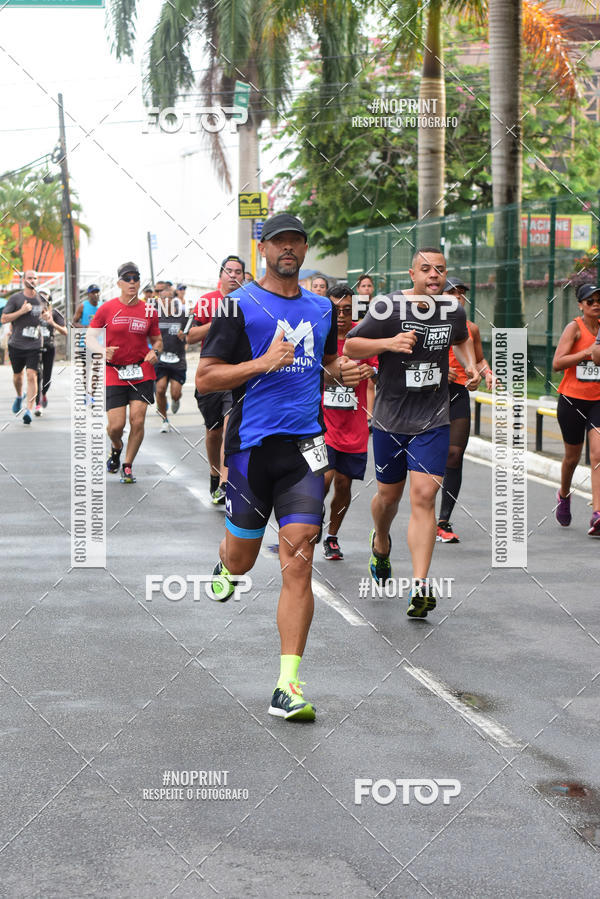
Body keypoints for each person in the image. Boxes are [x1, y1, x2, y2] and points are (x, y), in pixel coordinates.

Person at [196, 213, 360, 721]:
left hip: (305, 450)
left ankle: (287, 685)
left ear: (305, 250)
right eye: (278, 242)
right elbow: (205, 379)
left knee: (300, 556)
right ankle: (226, 563)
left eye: (296, 242)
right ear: (262, 249)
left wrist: (343, 371)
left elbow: (325, 362)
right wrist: (260, 364)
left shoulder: (321, 307)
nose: (288, 249)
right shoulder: (236, 306)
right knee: (243, 559)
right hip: (248, 450)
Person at [344, 248, 481, 618]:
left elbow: (462, 336)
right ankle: (381, 540)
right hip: (390, 420)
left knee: (424, 497)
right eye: (426, 269)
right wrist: (388, 344)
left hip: (433, 419)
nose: (434, 275)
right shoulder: (388, 308)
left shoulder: (452, 309)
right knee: (388, 500)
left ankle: (420, 586)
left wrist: (471, 366)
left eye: (440, 269)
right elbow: (352, 345)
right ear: (412, 274)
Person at [88, 262, 162, 484]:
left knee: (137, 420)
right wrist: (102, 350)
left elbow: (157, 339)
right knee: (116, 426)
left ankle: (127, 465)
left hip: (141, 370)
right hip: (114, 372)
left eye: (135, 278)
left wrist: (155, 351)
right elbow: (90, 337)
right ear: (119, 282)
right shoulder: (107, 308)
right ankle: (116, 446)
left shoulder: (149, 310)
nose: (132, 282)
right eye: (127, 278)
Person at [321, 284, 378, 560]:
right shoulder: (320, 333)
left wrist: (372, 369)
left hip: (353, 426)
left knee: (343, 484)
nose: (341, 316)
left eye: (347, 310)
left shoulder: (363, 335)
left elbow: (380, 367)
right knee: (323, 480)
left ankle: (332, 536)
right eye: (335, 310)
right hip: (323, 424)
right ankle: (308, 523)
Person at [436, 277, 494, 543]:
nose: (457, 297)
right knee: (427, 458)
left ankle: (443, 521)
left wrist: (487, 373)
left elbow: (479, 359)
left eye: (461, 294)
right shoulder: (426, 323)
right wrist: (438, 370)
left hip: (458, 393)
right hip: (426, 395)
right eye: (451, 293)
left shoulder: (471, 328)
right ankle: (422, 509)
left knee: (455, 453)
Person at [187, 255, 246, 503]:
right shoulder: (206, 302)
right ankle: (214, 472)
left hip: (238, 374)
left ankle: (225, 481)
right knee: (214, 432)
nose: (233, 275)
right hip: (211, 373)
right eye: (229, 271)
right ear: (220, 275)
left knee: (230, 427)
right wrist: (218, 323)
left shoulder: (250, 300)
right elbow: (189, 335)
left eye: (238, 272)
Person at [554, 283, 600, 537]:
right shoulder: (574, 328)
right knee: (572, 458)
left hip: (598, 401)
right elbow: (557, 363)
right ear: (581, 305)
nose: (595, 304)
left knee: (598, 454)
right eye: (590, 301)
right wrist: (586, 353)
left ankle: (598, 514)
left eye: (598, 300)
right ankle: (563, 494)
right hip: (572, 400)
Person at [1, 270, 44, 424]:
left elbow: (48, 317)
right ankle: (20, 395)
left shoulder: (42, 298)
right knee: (18, 376)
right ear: (23, 280)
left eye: (35, 278)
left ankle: (29, 410)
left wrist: (47, 318)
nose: (32, 280)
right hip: (17, 344)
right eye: (29, 278)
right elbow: (4, 318)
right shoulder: (16, 298)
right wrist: (21, 311)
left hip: (34, 344)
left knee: (32, 375)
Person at [154, 286, 188, 432]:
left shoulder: (182, 316)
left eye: (169, 298)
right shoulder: (154, 316)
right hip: (161, 359)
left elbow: (191, 335)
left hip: (178, 359)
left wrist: (185, 336)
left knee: (175, 393)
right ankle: (164, 420)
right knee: (160, 390)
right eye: (163, 298)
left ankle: (175, 400)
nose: (166, 300)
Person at [35, 292, 67, 415]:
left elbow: (65, 331)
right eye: (40, 297)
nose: (42, 299)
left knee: (47, 377)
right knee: (37, 375)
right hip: (35, 347)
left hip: (49, 347)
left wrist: (52, 323)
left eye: (45, 297)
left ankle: (44, 393)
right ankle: (38, 404)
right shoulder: (33, 312)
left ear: (49, 299)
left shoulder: (55, 313)